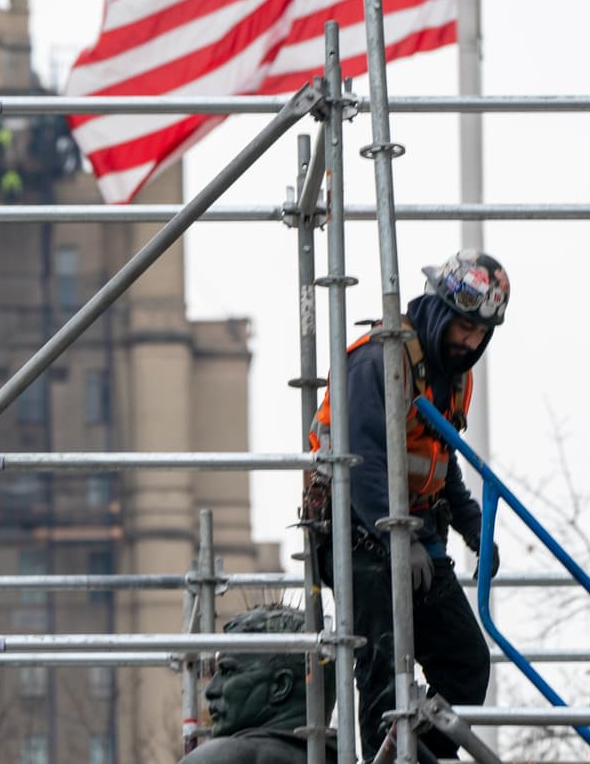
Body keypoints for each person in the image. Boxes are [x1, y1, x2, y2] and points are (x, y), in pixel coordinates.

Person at [307, 250, 508, 761]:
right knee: (383, 670)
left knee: (466, 662)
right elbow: (362, 463)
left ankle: (413, 756)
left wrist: (471, 524)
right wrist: (403, 536)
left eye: (482, 332)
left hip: (417, 531)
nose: (473, 342)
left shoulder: (451, 373)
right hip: (357, 531)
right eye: (466, 327)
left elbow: (440, 455)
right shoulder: (378, 362)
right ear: (442, 311)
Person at [178, 605, 336, 764]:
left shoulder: (222, 756)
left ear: (280, 686)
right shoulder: (342, 757)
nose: (211, 690)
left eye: (227, 671)